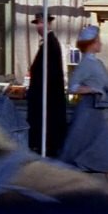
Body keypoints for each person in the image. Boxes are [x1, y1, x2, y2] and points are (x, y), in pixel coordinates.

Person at [60, 25, 108, 196]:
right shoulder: (86, 63)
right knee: (77, 147)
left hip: (95, 111)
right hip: (87, 111)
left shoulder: (96, 62)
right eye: (98, 41)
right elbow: (72, 87)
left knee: (102, 147)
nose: (100, 44)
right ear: (91, 44)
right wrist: (92, 90)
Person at [26, 12, 67, 157]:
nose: (38, 26)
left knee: (46, 137)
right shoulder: (47, 43)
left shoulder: (50, 43)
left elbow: (50, 74)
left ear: (48, 24)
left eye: (41, 23)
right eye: (37, 23)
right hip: (43, 99)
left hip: (47, 101)